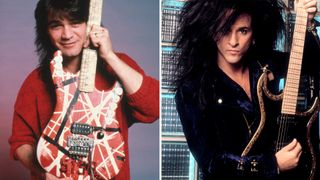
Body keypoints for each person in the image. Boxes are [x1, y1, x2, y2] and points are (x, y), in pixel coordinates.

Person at [8, 0, 159, 179]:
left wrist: (110, 57)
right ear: (45, 31)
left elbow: (153, 108)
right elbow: (21, 142)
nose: (67, 34)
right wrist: (44, 173)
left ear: (90, 24)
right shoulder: (36, 82)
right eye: (56, 25)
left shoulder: (118, 68)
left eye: (75, 23)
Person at [173, 0, 319, 179]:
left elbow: (312, 65)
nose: (233, 42)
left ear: (254, 32)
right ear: (210, 31)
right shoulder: (191, 90)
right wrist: (273, 164)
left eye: (243, 31)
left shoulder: (265, 64)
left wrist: (308, 23)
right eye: (224, 30)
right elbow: (211, 162)